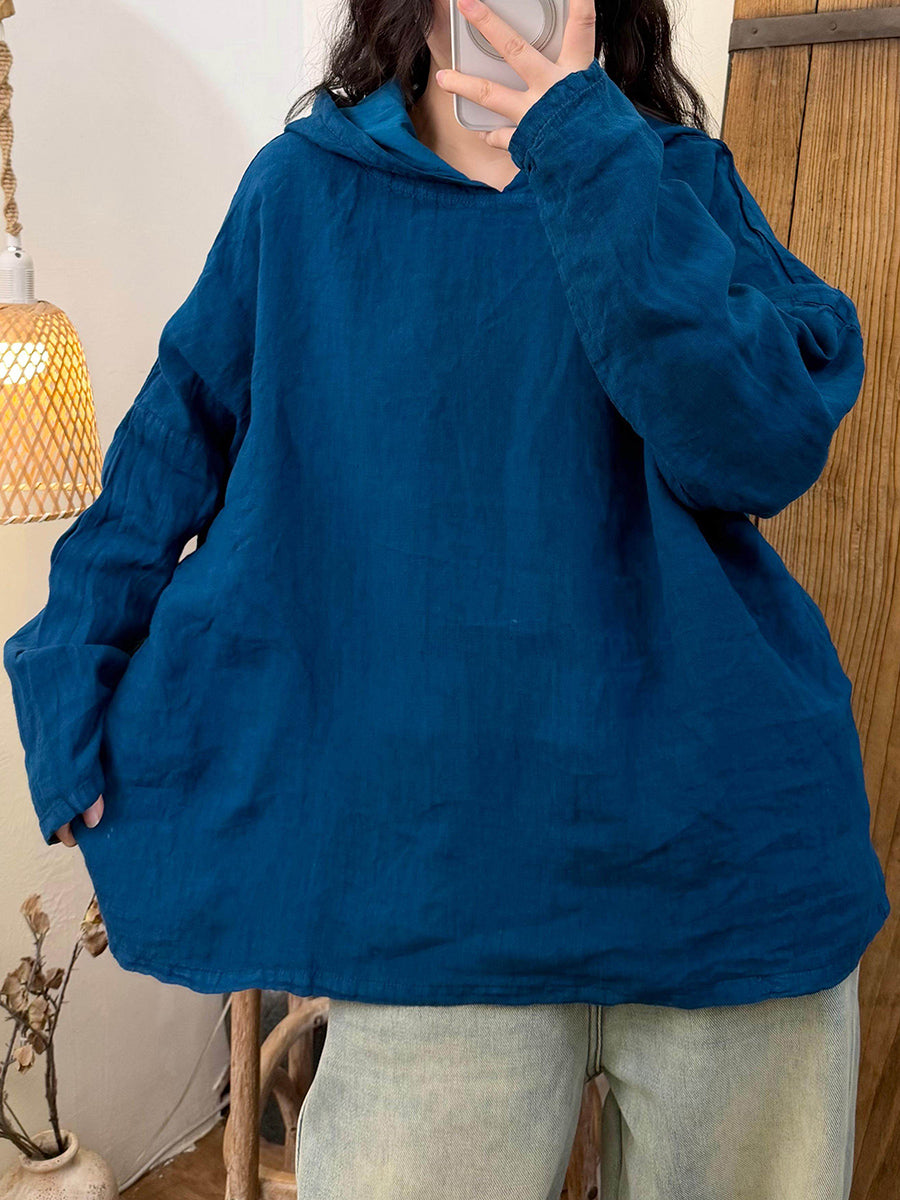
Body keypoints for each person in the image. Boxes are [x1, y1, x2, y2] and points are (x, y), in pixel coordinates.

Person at [3, 0, 889, 1195]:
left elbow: (759, 445)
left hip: (722, 864)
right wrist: (69, 685)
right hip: (428, 891)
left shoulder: (675, 182)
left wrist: (583, 146)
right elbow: (166, 453)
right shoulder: (302, 195)